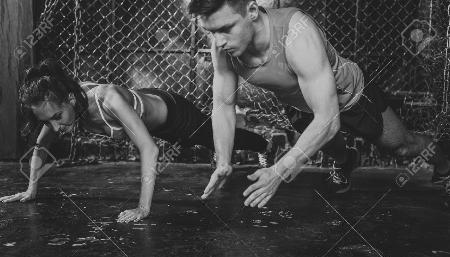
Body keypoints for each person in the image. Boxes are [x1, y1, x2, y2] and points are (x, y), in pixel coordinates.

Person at [189, 0, 450, 207]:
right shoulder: (221, 46)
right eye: (211, 32)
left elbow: (328, 119)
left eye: (225, 29)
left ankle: (444, 161)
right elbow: (223, 104)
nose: (219, 41)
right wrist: (223, 160)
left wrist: (279, 171)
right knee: (334, 149)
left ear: (253, 11)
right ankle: (346, 160)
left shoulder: (295, 34)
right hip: (301, 106)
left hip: (351, 98)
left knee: (402, 147)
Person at [0, 59, 270, 222]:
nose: (55, 126)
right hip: (148, 108)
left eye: (57, 117)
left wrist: (143, 207)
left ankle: (264, 145)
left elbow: (149, 148)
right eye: (48, 121)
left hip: (176, 116)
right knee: (210, 142)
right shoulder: (65, 105)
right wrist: (31, 189)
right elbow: (41, 146)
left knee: (213, 141)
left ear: (70, 99)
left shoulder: (107, 99)